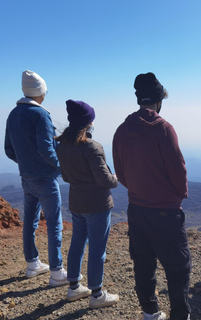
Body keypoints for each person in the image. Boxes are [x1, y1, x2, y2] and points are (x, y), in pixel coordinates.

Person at [112, 73, 191, 320]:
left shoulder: (121, 131)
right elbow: (178, 170)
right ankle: (180, 315)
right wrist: (178, 195)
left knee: (143, 265)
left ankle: (150, 313)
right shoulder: (164, 129)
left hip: (136, 209)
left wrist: (138, 190)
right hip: (166, 211)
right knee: (178, 268)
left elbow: (120, 172)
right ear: (159, 100)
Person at [4, 70, 68, 286]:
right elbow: (47, 149)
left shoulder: (13, 114)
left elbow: (9, 149)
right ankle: (57, 272)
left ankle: (33, 264)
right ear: (40, 92)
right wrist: (62, 167)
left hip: (26, 177)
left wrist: (25, 164)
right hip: (45, 177)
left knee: (30, 221)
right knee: (54, 223)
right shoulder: (40, 114)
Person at [56, 99, 120, 309]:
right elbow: (104, 180)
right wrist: (116, 178)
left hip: (76, 203)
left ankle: (74, 287)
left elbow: (65, 176)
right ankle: (97, 294)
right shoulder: (92, 147)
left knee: (77, 243)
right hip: (97, 204)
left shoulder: (62, 145)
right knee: (97, 250)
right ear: (87, 123)